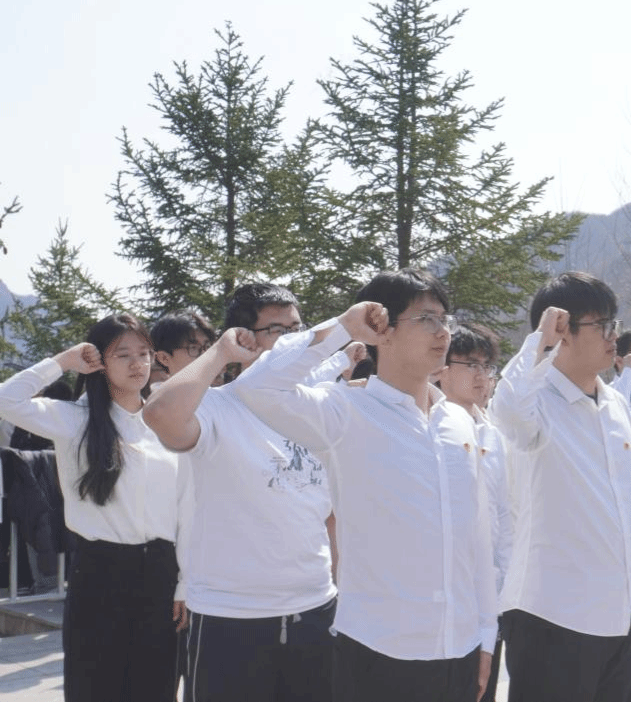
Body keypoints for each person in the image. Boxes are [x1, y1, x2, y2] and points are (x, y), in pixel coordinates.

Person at [233, 269, 496, 702]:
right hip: (378, 650)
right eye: (426, 319)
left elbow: (477, 535)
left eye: (444, 319)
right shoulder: (346, 411)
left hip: (460, 648)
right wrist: (343, 328)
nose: (442, 332)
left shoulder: (458, 421)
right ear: (382, 330)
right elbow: (256, 388)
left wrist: (486, 633)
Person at [142, 284, 340, 702]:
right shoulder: (216, 406)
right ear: (246, 339)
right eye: (276, 330)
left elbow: (329, 515)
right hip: (231, 618)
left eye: (297, 328)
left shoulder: (317, 408)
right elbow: (159, 414)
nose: (292, 340)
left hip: (316, 611)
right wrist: (219, 352)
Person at [0, 314, 180, 702]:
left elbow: (188, 507)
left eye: (144, 352)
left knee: (156, 686)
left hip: (164, 573)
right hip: (101, 571)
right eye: (123, 354)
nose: (137, 363)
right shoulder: (75, 420)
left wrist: (187, 581)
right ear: (99, 362)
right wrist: (63, 361)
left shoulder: (163, 420)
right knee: (95, 687)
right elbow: (6, 400)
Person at [489, 272, 631, 702]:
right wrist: (539, 343)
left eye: (614, 323)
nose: (614, 336)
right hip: (552, 616)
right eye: (602, 325)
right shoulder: (535, 401)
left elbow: (630, 508)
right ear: (563, 332)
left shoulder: (615, 403)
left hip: (616, 617)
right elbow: (507, 408)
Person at [434, 324, 514, 702]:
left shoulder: (493, 435)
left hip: (489, 598)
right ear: (442, 368)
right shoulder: (430, 428)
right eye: (471, 364)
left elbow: (504, 518)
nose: (482, 375)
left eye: (487, 366)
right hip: (444, 597)